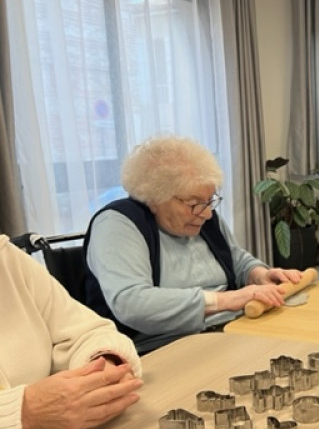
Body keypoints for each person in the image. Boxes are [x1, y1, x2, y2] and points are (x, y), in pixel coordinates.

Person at [85, 136, 302, 354]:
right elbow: (132, 304)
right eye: (194, 204)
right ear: (154, 198)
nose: (207, 213)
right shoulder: (118, 224)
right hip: (165, 347)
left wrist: (258, 274)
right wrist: (227, 299)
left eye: (210, 201)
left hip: (232, 328)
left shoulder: (202, 216)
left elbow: (236, 260)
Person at [0, 235, 142, 429]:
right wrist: (24, 412)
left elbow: (86, 331)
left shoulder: (8, 259)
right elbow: (134, 303)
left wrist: (101, 363)